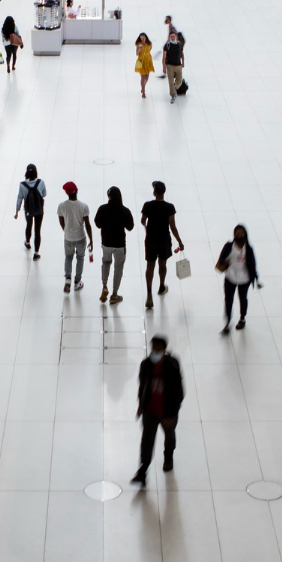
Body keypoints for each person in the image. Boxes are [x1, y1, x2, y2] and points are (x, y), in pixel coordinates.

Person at [131, 335, 184, 484]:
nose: (154, 352)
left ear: (164, 350)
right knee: (147, 440)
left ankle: (168, 456)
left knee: (169, 435)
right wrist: (141, 405)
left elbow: (179, 392)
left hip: (167, 411)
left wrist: (172, 414)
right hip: (150, 410)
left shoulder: (172, 366)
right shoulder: (146, 365)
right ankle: (143, 469)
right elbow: (142, 386)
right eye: (153, 348)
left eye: (158, 349)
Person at [140, 180, 184, 309]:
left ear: (154, 192)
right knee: (162, 264)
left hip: (151, 239)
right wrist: (180, 241)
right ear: (164, 192)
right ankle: (161, 285)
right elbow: (173, 227)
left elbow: (143, 221)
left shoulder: (147, 205)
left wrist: (147, 228)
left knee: (150, 266)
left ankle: (149, 294)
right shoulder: (169, 207)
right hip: (164, 239)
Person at [216, 224, 262, 332]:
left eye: (241, 232)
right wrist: (225, 261)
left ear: (245, 234)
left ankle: (242, 318)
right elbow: (221, 258)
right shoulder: (229, 246)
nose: (239, 234)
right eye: (237, 232)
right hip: (230, 277)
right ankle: (227, 320)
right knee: (228, 300)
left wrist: (256, 278)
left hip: (244, 279)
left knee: (243, 299)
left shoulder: (248, 249)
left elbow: (252, 264)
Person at [96, 186, 134, 304]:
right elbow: (130, 227)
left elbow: (98, 224)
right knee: (118, 268)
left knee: (106, 263)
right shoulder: (125, 211)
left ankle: (104, 286)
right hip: (119, 245)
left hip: (106, 243)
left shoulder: (102, 209)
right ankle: (114, 295)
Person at [58, 180, 93, 293]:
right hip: (80, 238)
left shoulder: (62, 206)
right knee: (80, 258)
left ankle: (68, 279)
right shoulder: (83, 206)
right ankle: (77, 282)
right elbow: (87, 224)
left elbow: (61, 221)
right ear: (77, 191)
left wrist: (66, 230)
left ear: (67, 193)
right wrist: (91, 239)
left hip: (68, 237)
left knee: (68, 257)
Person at [16, 164, 46, 256]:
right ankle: (36, 253)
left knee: (29, 225)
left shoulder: (22, 185)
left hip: (28, 210)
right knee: (37, 230)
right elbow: (44, 194)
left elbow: (20, 198)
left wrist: (17, 211)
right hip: (39, 210)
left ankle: (27, 242)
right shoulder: (41, 182)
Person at [134, 31, 154, 98]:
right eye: (141, 38)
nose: (142, 39)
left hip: (148, 61)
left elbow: (150, 50)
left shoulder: (149, 43)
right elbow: (137, 54)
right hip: (141, 62)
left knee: (147, 77)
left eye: (144, 38)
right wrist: (139, 49)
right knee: (143, 77)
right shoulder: (138, 44)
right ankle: (143, 91)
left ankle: (143, 86)